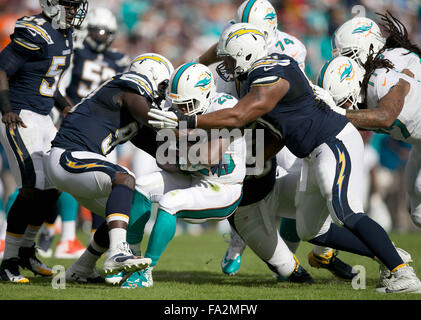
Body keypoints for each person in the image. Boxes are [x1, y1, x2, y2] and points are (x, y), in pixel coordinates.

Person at [148, 23, 421, 294]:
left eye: (230, 58)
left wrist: (188, 119)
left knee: (345, 211)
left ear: (245, 54)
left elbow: (239, 116)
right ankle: (388, 253)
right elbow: (277, 134)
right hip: (313, 151)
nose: (227, 65)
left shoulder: (270, 74)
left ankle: (402, 273)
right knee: (311, 230)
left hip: (332, 140)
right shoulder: (262, 69)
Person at [197, 0, 353, 281]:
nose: (243, 35)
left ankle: (310, 255)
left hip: (273, 119)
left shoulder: (290, 48)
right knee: (236, 177)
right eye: (238, 29)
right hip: (238, 107)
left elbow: (286, 97)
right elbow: (220, 52)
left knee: (299, 181)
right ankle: (240, 238)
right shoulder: (235, 38)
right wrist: (198, 65)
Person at [45, 53, 174, 282]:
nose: (164, 93)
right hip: (67, 155)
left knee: (127, 206)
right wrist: (181, 126)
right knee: (124, 177)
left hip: (79, 165)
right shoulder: (130, 85)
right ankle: (117, 252)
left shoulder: (133, 116)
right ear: (152, 76)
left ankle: (81, 268)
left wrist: (196, 160)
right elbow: (149, 115)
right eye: (164, 85)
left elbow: (163, 153)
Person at [118, 62, 246, 288]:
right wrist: (179, 150)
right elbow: (164, 160)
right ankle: (132, 259)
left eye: (188, 105)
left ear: (206, 94)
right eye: (179, 105)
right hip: (194, 176)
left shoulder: (225, 107)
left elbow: (210, 157)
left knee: (169, 202)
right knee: (142, 186)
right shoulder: (176, 107)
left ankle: (146, 272)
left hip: (223, 187)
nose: (182, 110)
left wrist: (180, 133)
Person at [0, 0, 88, 283]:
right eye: (70, 5)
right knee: (31, 189)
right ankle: (8, 261)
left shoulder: (64, 32)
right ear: (52, 4)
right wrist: (6, 110)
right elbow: (1, 69)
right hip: (20, 114)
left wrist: (65, 106)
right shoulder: (35, 31)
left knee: (54, 184)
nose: (76, 11)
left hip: (43, 116)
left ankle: (27, 250)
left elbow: (50, 81)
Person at [329, 12, 421, 230]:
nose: (345, 63)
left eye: (349, 55)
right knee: (417, 213)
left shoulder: (382, 77)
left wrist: (334, 114)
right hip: (418, 140)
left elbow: (384, 116)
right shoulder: (386, 62)